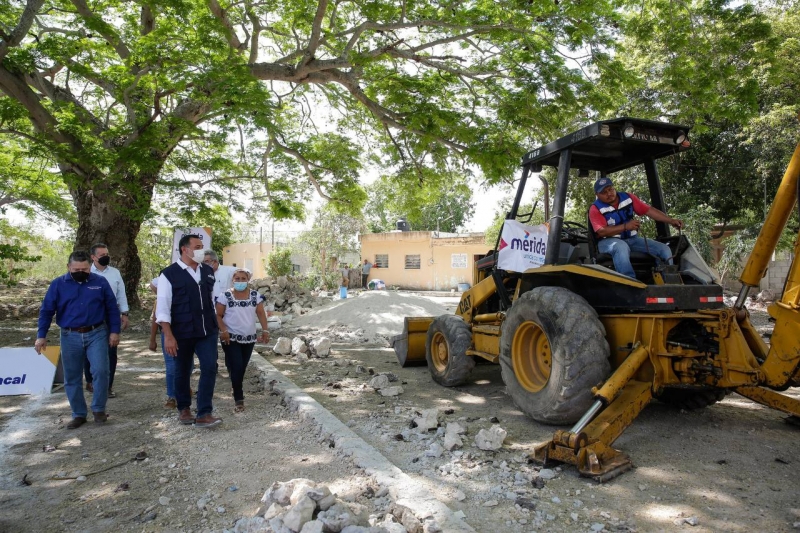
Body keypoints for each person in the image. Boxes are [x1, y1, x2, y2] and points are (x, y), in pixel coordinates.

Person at [35, 251, 121, 429]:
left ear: (90, 267)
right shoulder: (58, 284)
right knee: (72, 377)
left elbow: (112, 308)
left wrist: (114, 331)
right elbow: (46, 311)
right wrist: (41, 336)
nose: (81, 272)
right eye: (76, 269)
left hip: (97, 332)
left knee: (101, 370)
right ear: (69, 267)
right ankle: (79, 414)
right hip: (69, 335)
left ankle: (98, 409)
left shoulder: (100, 282)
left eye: (85, 269)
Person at [156, 234, 221, 428]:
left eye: (202, 246)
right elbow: (163, 307)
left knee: (210, 367)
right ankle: (184, 408)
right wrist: (168, 335)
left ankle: (204, 412)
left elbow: (212, 300)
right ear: (185, 249)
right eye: (198, 246)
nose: (202, 250)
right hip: (181, 332)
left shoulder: (208, 271)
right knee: (182, 370)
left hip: (206, 331)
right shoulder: (168, 274)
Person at [589, 177, 684, 278]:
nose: (609, 194)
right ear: (597, 195)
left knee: (664, 250)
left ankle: (669, 281)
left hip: (632, 240)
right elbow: (602, 231)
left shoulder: (628, 198)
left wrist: (671, 220)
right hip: (607, 242)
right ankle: (630, 283)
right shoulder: (595, 208)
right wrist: (625, 227)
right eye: (604, 192)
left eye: (610, 189)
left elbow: (649, 211)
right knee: (621, 247)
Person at [214, 268, 269, 413]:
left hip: (249, 338)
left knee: (242, 366)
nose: (240, 281)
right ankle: (239, 398)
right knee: (237, 365)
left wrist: (265, 330)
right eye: (237, 278)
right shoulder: (225, 296)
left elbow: (261, 313)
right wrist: (224, 331)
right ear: (232, 280)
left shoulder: (255, 296)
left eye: (243, 278)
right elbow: (218, 315)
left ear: (248, 280)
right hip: (230, 337)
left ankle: (235, 383)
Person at [84, 243, 128, 398]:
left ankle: (107, 386)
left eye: (106, 254)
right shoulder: (85, 272)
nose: (106, 257)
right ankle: (90, 382)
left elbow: (121, 294)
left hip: (111, 315)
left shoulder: (115, 273)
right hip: (90, 315)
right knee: (88, 350)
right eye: (102, 255)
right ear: (93, 257)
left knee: (111, 350)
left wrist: (124, 313)